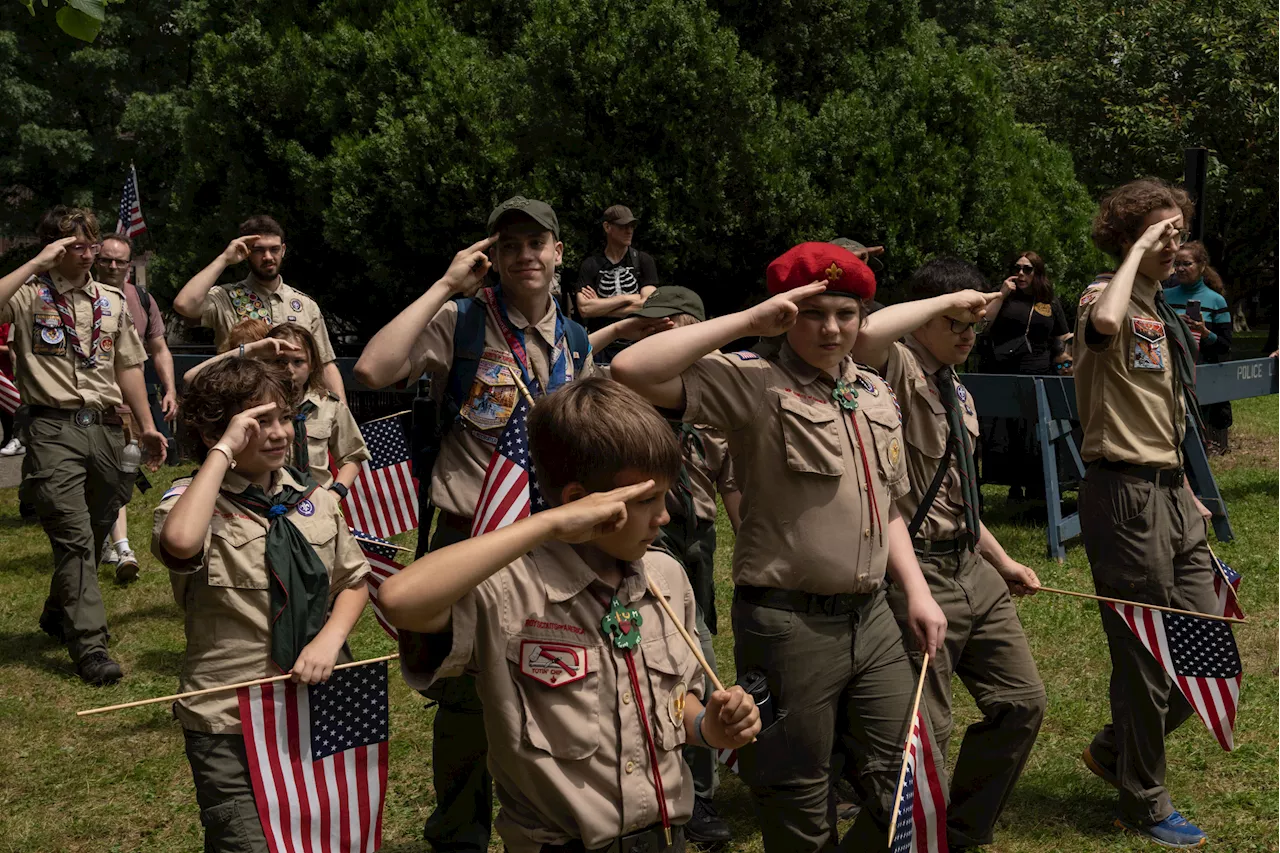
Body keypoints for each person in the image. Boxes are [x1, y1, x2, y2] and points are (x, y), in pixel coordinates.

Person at [611, 242, 950, 853]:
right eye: (813, 313)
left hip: (873, 617)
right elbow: (632, 370)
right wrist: (749, 321)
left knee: (909, 772)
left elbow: (890, 508)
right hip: (790, 622)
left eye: (845, 314)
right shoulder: (753, 384)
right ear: (787, 315)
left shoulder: (874, 391)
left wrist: (919, 594)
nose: (831, 328)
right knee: (797, 789)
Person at [380, 377, 761, 853]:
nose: (664, 516)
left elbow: (674, 700)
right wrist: (548, 524)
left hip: (666, 840)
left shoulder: (665, 576)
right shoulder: (511, 589)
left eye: (666, 496)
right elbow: (400, 599)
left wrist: (708, 727)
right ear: (581, 500)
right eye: (645, 500)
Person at [355, 196, 597, 853]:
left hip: (551, 537)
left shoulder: (575, 340)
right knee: (464, 693)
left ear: (558, 251)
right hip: (471, 531)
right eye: (509, 244)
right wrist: (444, 284)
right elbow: (373, 369)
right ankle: (459, 831)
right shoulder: (460, 321)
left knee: (551, 675)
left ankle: (546, 817)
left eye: (536, 242)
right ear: (492, 256)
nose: (525, 255)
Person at [851, 257, 1047, 851]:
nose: (967, 334)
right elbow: (866, 335)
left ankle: (959, 830)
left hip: (970, 566)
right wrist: (944, 301)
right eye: (955, 322)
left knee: (1022, 702)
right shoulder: (895, 372)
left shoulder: (957, 389)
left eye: (974, 324)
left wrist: (1004, 560)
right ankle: (898, 836)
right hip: (918, 573)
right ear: (925, 318)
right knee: (924, 734)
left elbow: (955, 494)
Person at [152, 356, 369, 853]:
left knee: (317, 834)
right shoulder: (190, 503)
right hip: (227, 713)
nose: (277, 434)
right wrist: (225, 451)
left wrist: (331, 640)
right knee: (244, 841)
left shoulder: (312, 501)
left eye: (282, 419)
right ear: (215, 434)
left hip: (312, 703)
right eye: (256, 423)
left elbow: (353, 581)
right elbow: (182, 542)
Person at [1074, 178, 1219, 849]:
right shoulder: (1102, 297)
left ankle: (1114, 749)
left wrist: (1187, 486)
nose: (1174, 242)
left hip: (1169, 489)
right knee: (1146, 654)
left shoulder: (1161, 306)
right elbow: (1104, 326)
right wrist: (1137, 247)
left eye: (1179, 230)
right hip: (1124, 496)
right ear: (1132, 234)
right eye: (1163, 231)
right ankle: (1144, 797)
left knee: (1205, 647)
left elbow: (1167, 408)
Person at [0, 207, 167, 684]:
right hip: (52, 429)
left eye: (91, 242)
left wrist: (146, 425)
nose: (87, 251)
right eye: (76, 243)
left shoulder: (112, 301)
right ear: (53, 245)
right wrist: (36, 263)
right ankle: (90, 645)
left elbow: (129, 368)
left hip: (107, 429)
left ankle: (59, 610)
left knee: (96, 525)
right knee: (73, 536)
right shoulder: (30, 293)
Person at [635, 286, 743, 845]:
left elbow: (727, 480)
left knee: (699, 653)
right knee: (687, 654)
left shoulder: (714, 400)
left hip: (700, 540)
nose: (647, 336)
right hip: (651, 537)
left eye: (659, 327)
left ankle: (698, 783)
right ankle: (691, 798)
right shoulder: (633, 395)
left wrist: (749, 537)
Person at [172, 215, 347, 403]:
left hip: (296, 411)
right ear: (247, 252)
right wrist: (224, 259)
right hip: (240, 405)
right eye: (259, 250)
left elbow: (326, 364)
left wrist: (342, 414)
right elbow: (184, 305)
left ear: (283, 250)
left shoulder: (305, 305)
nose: (268, 257)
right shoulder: (226, 297)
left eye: (274, 249)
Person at [94, 233, 178, 582]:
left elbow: (158, 349)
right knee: (99, 475)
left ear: (129, 265)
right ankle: (107, 540)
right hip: (92, 402)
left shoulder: (142, 299)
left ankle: (120, 545)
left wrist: (171, 388)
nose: (113, 266)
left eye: (120, 261)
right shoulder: (81, 299)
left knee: (120, 472)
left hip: (131, 402)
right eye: (107, 259)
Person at [979, 251, 1071, 503]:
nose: (1020, 274)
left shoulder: (1050, 303)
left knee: (1034, 431)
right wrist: (1001, 293)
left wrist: (1065, 361)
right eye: (1017, 268)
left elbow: (1062, 337)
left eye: (1027, 269)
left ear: (1037, 273)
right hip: (1004, 369)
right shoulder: (1005, 299)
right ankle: (1011, 485)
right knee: (1005, 431)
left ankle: (1036, 486)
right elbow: (983, 323)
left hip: (1040, 371)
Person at [266, 322, 370, 493]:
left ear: (313, 364)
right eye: (280, 361)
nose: (289, 369)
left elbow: (352, 456)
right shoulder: (254, 407)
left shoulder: (330, 406)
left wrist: (335, 493)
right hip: (269, 503)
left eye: (298, 361)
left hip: (318, 501)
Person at [1167, 242, 1233, 454]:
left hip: (1201, 377)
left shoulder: (1216, 301)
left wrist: (1204, 332)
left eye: (1187, 263)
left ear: (1202, 266)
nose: (1180, 269)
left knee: (1195, 443)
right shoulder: (1163, 296)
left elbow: (1224, 346)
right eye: (1177, 264)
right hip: (1168, 374)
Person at [573, 205, 659, 364]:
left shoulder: (643, 261)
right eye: (623, 226)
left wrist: (599, 307)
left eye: (631, 226)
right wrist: (628, 298)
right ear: (607, 227)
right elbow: (585, 309)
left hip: (637, 347)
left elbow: (649, 306)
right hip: (601, 348)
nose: (629, 231)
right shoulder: (591, 265)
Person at [0, 320, 18, 456]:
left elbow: (13, 348)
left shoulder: (7, 325)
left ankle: (10, 438)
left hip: (6, 375)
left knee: (7, 412)